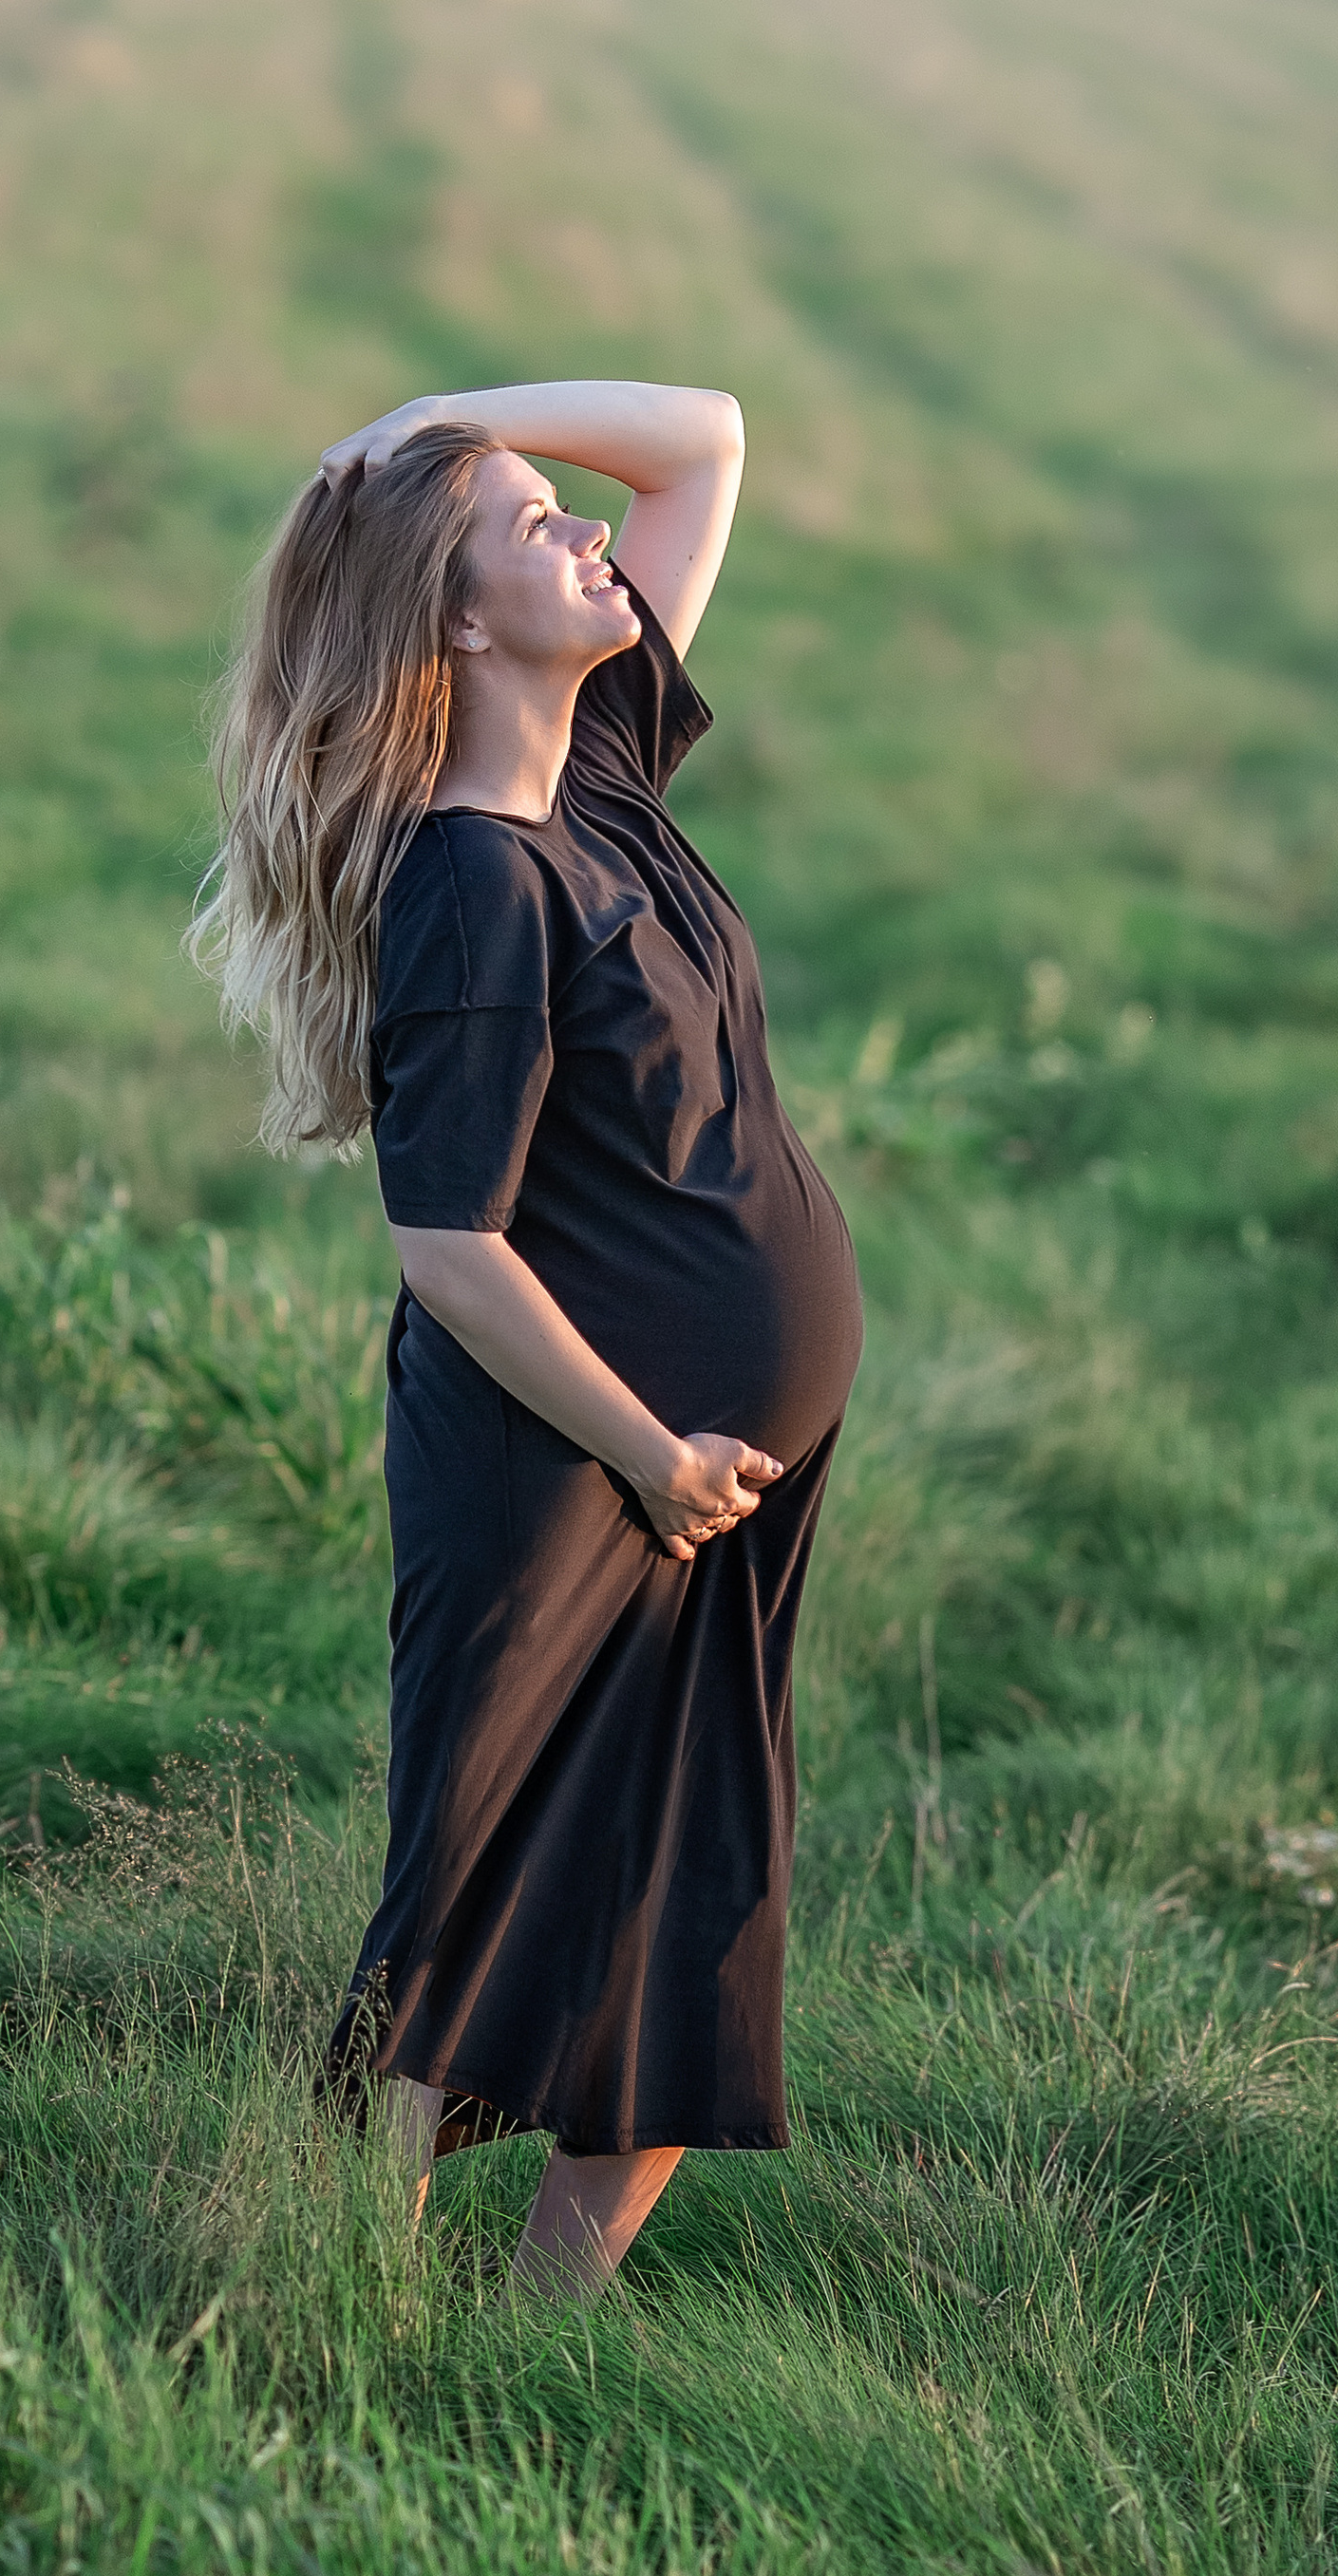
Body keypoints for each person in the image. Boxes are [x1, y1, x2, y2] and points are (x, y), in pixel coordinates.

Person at [191, 382, 863, 2298]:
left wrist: (440, 420)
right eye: (525, 525)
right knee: (470, 1898)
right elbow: (447, 1243)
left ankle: (532, 2333)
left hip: (707, 1481)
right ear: (458, 624)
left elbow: (712, 437)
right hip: (565, 1481)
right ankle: (342, 2304)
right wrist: (652, 1453)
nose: (588, 534)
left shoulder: (596, 773)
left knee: (683, 1886)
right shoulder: (474, 879)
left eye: (569, 513)